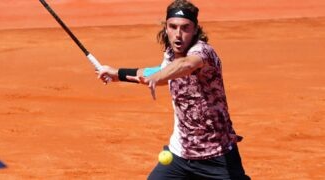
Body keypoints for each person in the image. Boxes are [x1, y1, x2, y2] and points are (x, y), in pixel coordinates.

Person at [97, 0, 250, 179]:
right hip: (179, 155)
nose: (178, 34)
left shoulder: (203, 52)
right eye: (173, 27)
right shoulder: (170, 54)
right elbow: (158, 71)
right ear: (166, 27)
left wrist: (158, 77)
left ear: (195, 29)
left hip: (217, 157)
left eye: (185, 28)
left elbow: (185, 65)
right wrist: (118, 73)